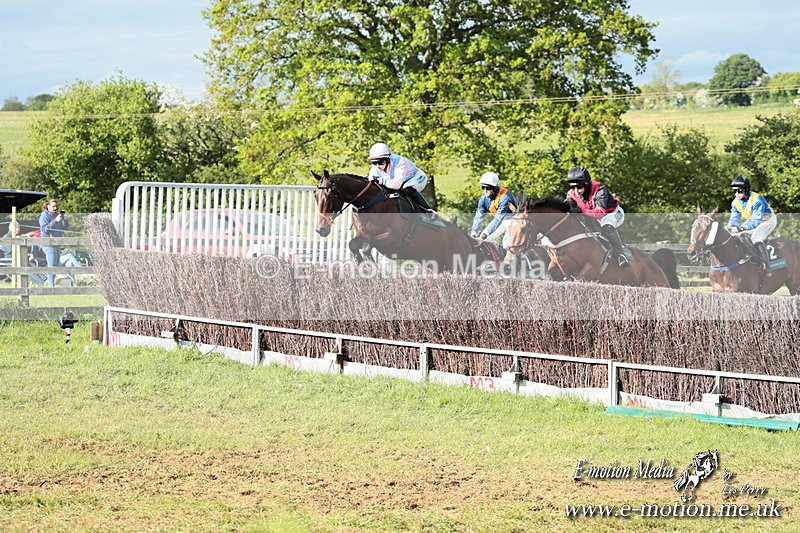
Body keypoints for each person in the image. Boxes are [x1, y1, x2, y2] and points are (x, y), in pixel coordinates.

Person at [565, 165, 629, 268]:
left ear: (586, 183)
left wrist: (581, 211)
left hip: (613, 213)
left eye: (579, 187)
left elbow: (600, 213)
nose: (576, 191)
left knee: (606, 226)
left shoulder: (600, 190)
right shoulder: (571, 194)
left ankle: (621, 254)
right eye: (573, 187)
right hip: (593, 217)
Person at [367, 142, 436, 217]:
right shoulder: (376, 167)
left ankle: (428, 211)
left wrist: (381, 181)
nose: (377, 166)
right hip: (398, 181)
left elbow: (397, 185)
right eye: (374, 163)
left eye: (380, 162)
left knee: (407, 189)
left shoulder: (401, 162)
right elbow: (371, 181)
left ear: (387, 160)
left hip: (416, 178)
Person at [727, 175, 776, 274]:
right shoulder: (735, 203)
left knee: (756, 238)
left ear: (746, 189)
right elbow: (735, 219)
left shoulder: (757, 199)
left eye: (739, 191)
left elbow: (756, 220)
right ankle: (747, 258)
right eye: (734, 191)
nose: (737, 194)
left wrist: (741, 228)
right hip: (752, 221)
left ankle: (766, 266)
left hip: (767, 220)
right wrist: (730, 227)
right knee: (737, 236)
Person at [470, 172, 518, 247]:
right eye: (483, 187)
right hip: (501, 221)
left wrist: (483, 236)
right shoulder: (483, 198)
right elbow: (478, 217)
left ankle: (520, 257)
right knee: (485, 241)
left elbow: (497, 219)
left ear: (495, 188)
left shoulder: (504, 197)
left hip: (513, 222)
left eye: (488, 188)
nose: (485, 190)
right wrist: (473, 234)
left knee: (506, 243)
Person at [38, 198, 69, 287]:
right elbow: (45, 229)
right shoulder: (44, 216)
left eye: (56, 206)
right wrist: (55, 220)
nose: (55, 208)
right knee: (51, 265)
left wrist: (65, 219)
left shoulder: (57, 216)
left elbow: (65, 227)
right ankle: (51, 286)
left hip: (57, 243)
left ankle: (52, 284)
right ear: (48, 206)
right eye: (53, 206)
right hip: (48, 243)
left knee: (55, 265)